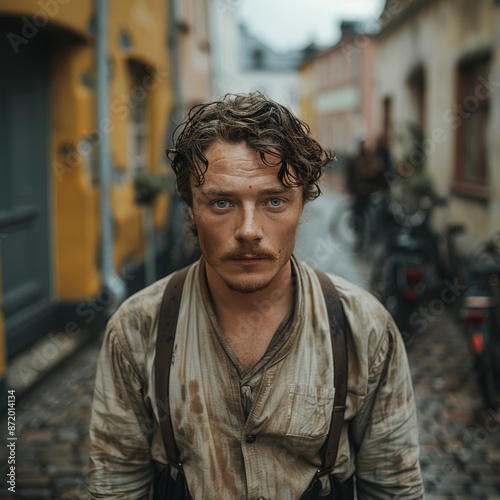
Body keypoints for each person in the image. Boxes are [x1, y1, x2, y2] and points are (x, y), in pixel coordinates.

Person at [87, 92, 424, 499]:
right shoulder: (137, 329)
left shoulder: (364, 327)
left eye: (274, 200)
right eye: (222, 202)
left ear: (302, 206)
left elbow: (393, 487)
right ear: (191, 208)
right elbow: (115, 485)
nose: (249, 230)